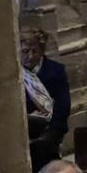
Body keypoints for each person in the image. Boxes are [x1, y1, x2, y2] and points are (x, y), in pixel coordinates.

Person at [21, 27, 73, 162]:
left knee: (44, 150)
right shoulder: (14, 76)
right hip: (23, 131)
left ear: (42, 51)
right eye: (25, 51)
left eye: (35, 51)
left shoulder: (55, 71)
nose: (31, 56)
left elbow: (63, 106)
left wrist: (51, 131)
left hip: (51, 129)